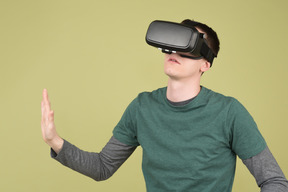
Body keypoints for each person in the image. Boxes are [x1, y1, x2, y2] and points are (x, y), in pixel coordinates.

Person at [41, 19, 288, 192]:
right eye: (174, 42)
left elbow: (274, 181)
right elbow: (102, 167)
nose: (176, 51)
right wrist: (54, 140)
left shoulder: (229, 112)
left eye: (188, 45)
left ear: (205, 64)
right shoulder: (142, 107)